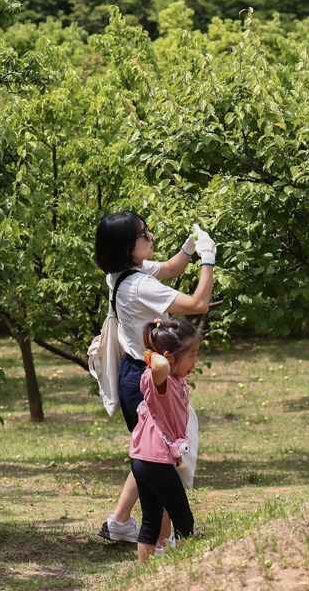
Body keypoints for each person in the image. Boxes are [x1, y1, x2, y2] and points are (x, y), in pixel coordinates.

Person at [93, 210, 216, 545]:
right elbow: (198, 303)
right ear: (125, 247)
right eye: (142, 235)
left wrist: (189, 249)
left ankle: (125, 525)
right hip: (149, 379)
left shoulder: (122, 273)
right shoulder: (138, 286)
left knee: (149, 454)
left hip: (135, 373)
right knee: (163, 463)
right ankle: (161, 542)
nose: (149, 237)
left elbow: (171, 268)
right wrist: (209, 260)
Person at [130, 317, 202, 563]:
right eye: (191, 355)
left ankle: (143, 577)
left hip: (143, 459)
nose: (195, 361)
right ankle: (185, 573)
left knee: (151, 519)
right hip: (155, 461)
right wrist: (151, 353)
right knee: (183, 519)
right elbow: (159, 365)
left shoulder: (174, 380)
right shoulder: (159, 379)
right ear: (171, 357)